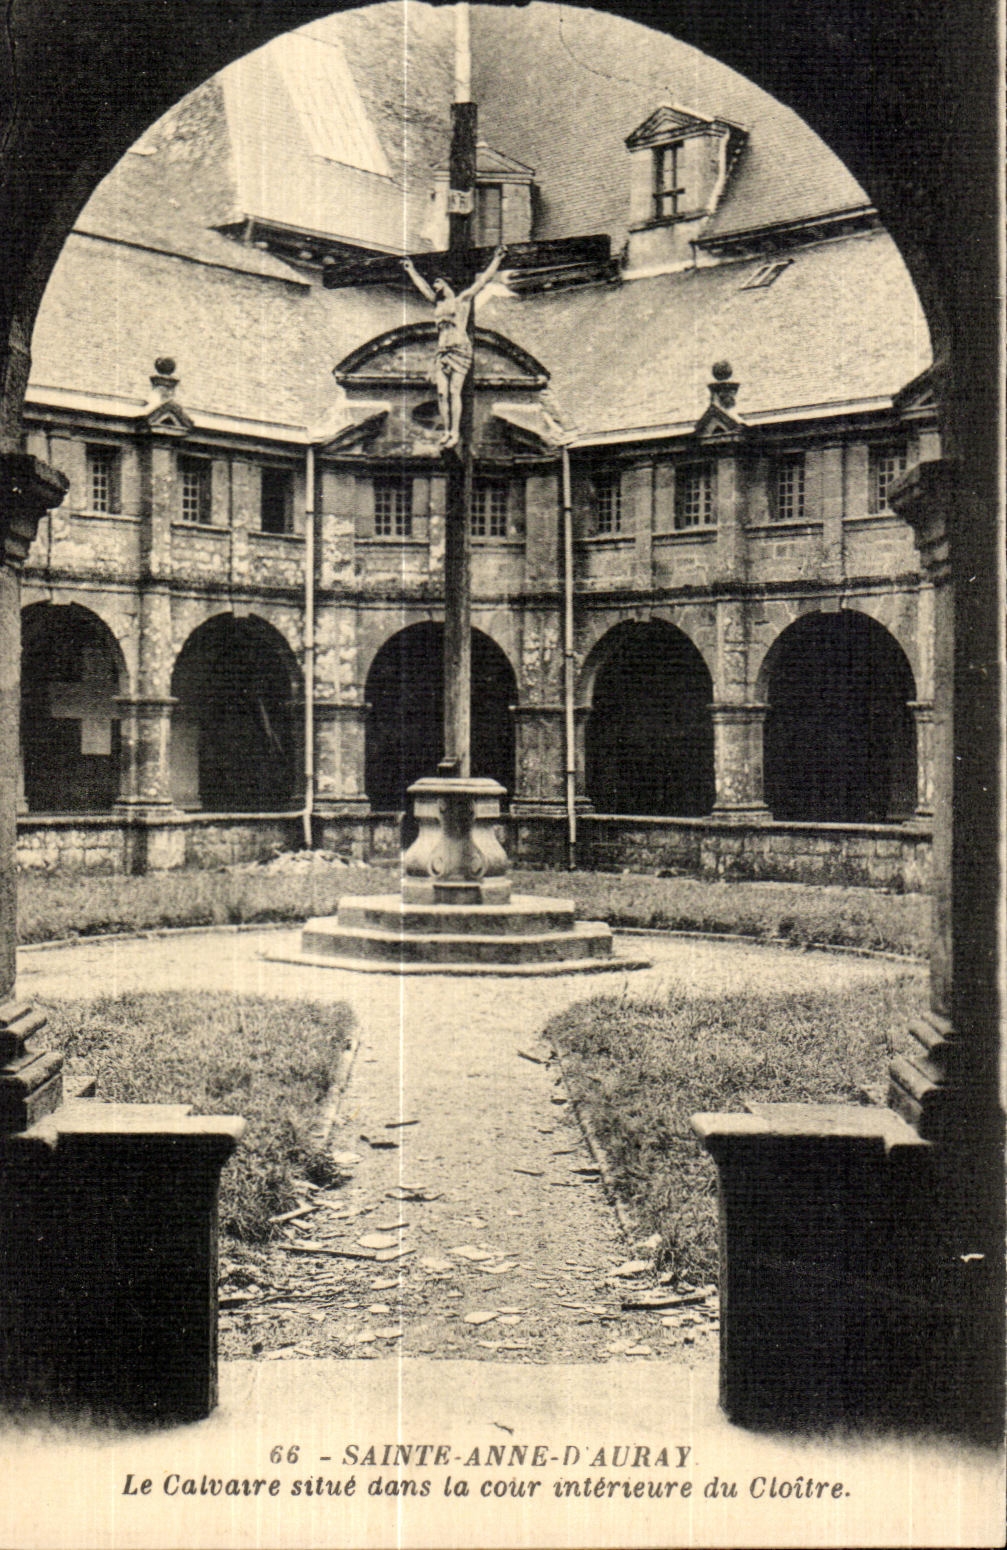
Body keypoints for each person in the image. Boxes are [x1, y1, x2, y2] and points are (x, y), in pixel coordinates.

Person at [401, 245, 507, 449]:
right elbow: (423, 288)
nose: (435, 285)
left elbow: (483, 282)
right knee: (441, 392)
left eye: (438, 281)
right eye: (434, 283)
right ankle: (447, 430)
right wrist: (410, 270)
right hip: (442, 351)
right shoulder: (438, 305)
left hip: (459, 349)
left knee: (454, 391)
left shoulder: (462, 301)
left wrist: (497, 260)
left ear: (447, 283)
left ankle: (455, 431)